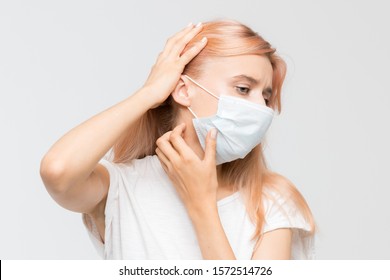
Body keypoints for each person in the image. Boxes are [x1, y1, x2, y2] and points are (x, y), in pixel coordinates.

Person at [40, 20, 316, 260]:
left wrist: (201, 204)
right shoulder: (121, 187)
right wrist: (149, 93)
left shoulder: (273, 201)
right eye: (243, 89)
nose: (260, 108)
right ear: (184, 91)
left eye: (265, 97)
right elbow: (58, 171)